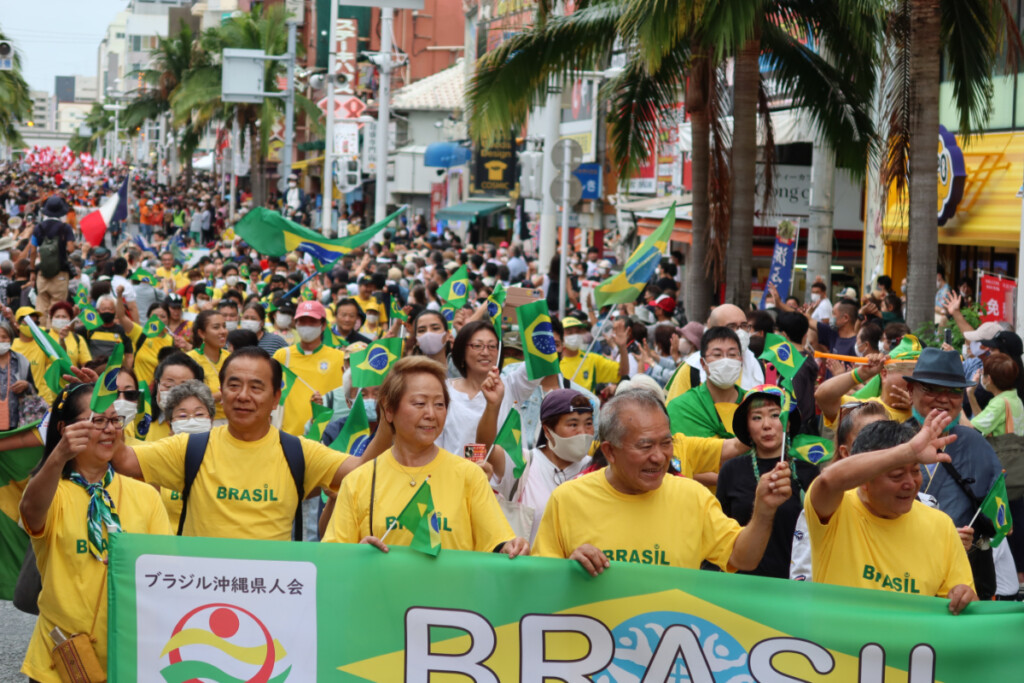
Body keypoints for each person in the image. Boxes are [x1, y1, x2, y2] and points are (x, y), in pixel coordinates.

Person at [110, 347, 365, 540]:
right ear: (222, 391)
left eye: (256, 387)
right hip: (201, 597)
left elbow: (365, 471)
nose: (243, 396)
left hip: (271, 597)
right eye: (234, 385)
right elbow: (123, 460)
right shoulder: (189, 447)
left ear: (276, 397)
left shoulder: (298, 451)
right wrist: (105, 406)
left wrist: (389, 416)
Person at [533, 389, 792, 575]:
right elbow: (540, 581)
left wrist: (763, 511)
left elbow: (743, 558)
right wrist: (568, 569)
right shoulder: (567, 499)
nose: (659, 457)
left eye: (666, 443)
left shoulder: (693, 497)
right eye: (645, 446)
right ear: (610, 452)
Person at [19, 383, 169, 681]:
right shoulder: (53, 492)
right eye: (97, 420)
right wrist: (58, 456)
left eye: (114, 420)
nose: (109, 429)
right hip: (59, 660)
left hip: (127, 657)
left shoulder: (146, 495)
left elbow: (161, 570)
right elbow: (30, 510)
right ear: (65, 428)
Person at [323, 356, 529, 557]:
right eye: (420, 403)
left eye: (439, 404)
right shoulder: (358, 481)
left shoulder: (470, 476)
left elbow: (498, 544)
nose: (431, 413)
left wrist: (512, 547)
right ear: (389, 410)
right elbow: (333, 559)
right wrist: (358, 554)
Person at [804, 414, 976, 614]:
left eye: (915, 471)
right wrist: (908, 451)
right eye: (896, 475)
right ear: (865, 479)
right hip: (839, 646)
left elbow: (967, 608)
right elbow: (827, 480)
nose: (910, 484)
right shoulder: (835, 510)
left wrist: (964, 597)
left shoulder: (942, 525)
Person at [717, 387, 818, 579]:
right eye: (756, 418)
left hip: (793, 585)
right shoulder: (731, 470)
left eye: (775, 415)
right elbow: (718, 535)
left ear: (787, 424)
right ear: (747, 426)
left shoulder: (808, 473)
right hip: (741, 582)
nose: (766, 425)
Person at [491, 389, 595, 542]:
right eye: (573, 424)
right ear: (547, 430)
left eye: (588, 424)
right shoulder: (524, 462)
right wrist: (491, 407)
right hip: (530, 565)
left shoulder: (597, 469)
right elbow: (488, 448)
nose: (583, 432)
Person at [439, 320, 546, 456]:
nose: (485, 352)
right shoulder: (444, 391)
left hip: (501, 476)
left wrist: (534, 307)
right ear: (461, 350)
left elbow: (542, 358)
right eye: (477, 346)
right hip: (456, 475)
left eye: (492, 346)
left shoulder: (512, 385)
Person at [272, 301, 345, 437]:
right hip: (289, 437)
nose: (307, 326)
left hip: (325, 438)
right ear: (296, 324)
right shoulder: (282, 355)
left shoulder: (339, 357)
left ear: (323, 325)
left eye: (312, 322)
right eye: (302, 322)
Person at [157, 379, 216, 529]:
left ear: (211, 420)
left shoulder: (223, 458)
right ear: (170, 424)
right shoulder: (159, 459)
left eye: (199, 414)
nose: (191, 421)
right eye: (182, 416)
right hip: (170, 547)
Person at [668, 327, 746, 438]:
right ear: (703, 363)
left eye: (732, 355)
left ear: (741, 361)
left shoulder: (752, 404)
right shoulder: (682, 408)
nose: (726, 361)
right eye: (717, 355)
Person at [29, 195, 76, 325]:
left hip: (42, 273)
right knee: (57, 308)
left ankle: (40, 335)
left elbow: (32, 251)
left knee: (41, 307)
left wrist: (32, 271)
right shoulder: (65, 228)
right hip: (60, 273)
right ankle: (53, 338)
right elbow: (71, 248)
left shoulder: (38, 228)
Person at [559, 316, 631, 393]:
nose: (575, 335)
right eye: (569, 332)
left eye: (577, 332)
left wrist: (622, 347)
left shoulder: (591, 359)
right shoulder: (554, 361)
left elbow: (623, 371)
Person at [968, 351, 1024, 437]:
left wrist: (957, 405)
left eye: (982, 373)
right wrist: (970, 394)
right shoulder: (1014, 398)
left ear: (989, 379)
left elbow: (970, 429)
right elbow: (982, 423)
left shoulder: (1000, 404)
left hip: (1001, 450)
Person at [187, 309, 228, 423]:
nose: (223, 331)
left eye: (224, 326)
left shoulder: (231, 358)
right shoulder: (190, 360)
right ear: (201, 333)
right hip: (202, 422)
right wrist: (222, 394)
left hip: (232, 422)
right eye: (216, 327)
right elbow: (188, 397)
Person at [10, 306, 56, 404]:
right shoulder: (10, 347)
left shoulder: (43, 343)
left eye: (35, 323)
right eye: (28, 322)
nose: (32, 326)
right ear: (17, 324)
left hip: (43, 401)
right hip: (18, 403)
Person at [0, 319, 35, 429]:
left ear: (10, 339)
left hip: (16, 425)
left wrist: (26, 385)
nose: (0, 340)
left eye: (4, 337)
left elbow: (33, 389)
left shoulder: (21, 361)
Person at [84, 295, 135, 370]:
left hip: (115, 372)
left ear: (115, 311)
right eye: (104, 309)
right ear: (98, 311)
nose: (107, 311)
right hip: (94, 371)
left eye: (110, 309)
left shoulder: (122, 331)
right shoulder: (89, 329)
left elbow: (129, 355)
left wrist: (126, 371)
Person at [47, 301, 92, 368]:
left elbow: (86, 365)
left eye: (64, 317)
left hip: (70, 377)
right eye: (57, 316)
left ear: (70, 319)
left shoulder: (78, 339)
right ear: (51, 318)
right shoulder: (44, 334)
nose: (60, 319)